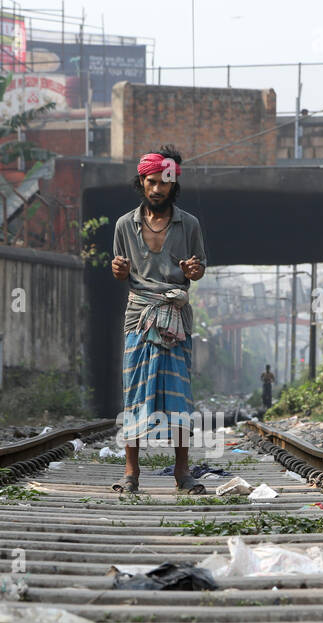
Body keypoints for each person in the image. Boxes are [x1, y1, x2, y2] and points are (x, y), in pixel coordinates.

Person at [110, 144, 208, 494]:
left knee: (178, 395)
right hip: (138, 317)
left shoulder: (190, 225)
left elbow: (198, 270)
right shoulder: (124, 225)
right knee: (134, 394)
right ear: (142, 182)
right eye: (151, 182)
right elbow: (122, 270)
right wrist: (119, 270)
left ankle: (183, 473)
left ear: (173, 184)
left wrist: (193, 270)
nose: (157, 189)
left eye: (163, 183)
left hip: (175, 318)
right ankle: (131, 472)